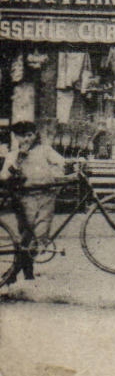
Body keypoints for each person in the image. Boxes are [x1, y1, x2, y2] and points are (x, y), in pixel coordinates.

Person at [1, 121, 69, 285]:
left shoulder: (45, 150)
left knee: (40, 234)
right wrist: (16, 163)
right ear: (16, 138)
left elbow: (60, 163)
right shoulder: (13, 154)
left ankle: (17, 272)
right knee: (26, 235)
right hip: (25, 198)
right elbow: (3, 176)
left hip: (46, 197)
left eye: (30, 135)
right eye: (22, 136)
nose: (27, 139)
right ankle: (23, 272)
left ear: (34, 135)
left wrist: (55, 176)